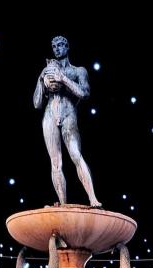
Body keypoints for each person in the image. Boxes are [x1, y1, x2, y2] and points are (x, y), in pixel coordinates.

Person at [33, 36, 101, 208]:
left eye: (60, 45)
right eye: (54, 46)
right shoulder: (47, 70)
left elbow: (84, 94)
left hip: (69, 113)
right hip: (49, 114)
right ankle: (63, 204)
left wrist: (63, 79)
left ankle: (93, 198)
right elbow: (36, 103)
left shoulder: (79, 71)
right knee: (55, 163)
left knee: (76, 154)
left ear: (67, 46)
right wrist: (41, 80)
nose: (57, 48)